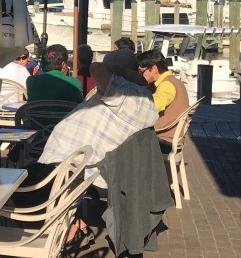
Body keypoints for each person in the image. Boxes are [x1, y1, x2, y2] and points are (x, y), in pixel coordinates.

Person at [38, 49, 157, 185]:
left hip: (71, 171)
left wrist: (122, 72)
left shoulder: (124, 92)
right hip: (72, 165)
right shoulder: (137, 97)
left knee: (20, 178)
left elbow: (95, 68)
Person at [137, 49, 189, 148]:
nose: (140, 75)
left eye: (141, 71)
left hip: (164, 138)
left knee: (126, 140)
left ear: (154, 68)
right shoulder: (174, 81)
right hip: (171, 136)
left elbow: (153, 106)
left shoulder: (167, 84)